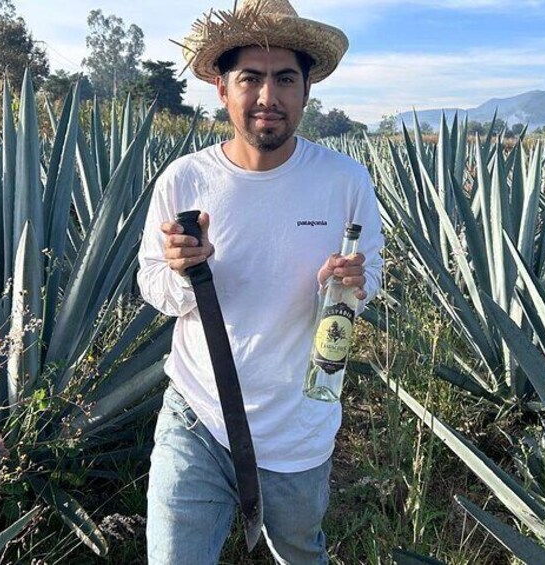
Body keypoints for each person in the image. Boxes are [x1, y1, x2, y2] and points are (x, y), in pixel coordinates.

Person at [137, 0, 384, 562]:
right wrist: (185, 273)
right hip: (197, 416)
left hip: (298, 426)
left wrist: (343, 287)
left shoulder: (344, 180)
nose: (268, 96)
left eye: (285, 79)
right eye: (250, 78)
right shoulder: (185, 179)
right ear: (222, 89)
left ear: (307, 90)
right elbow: (153, 286)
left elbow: (369, 280)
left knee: (299, 553)